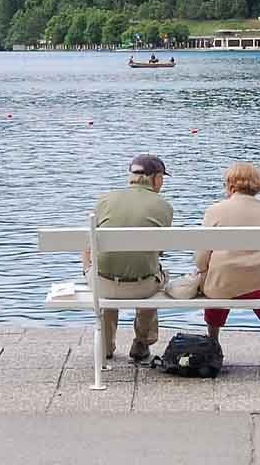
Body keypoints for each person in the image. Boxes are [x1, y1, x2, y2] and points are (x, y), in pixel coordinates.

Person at [194, 162, 260, 367]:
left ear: (230, 184)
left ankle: (213, 344)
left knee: (218, 285)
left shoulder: (215, 210)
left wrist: (202, 271)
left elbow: (202, 256)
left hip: (225, 286)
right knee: (257, 281)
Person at [82, 154, 174, 362]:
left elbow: (88, 242)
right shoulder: (164, 206)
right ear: (156, 178)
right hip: (142, 287)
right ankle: (141, 342)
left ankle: (105, 346)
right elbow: (160, 251)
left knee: (100, 265)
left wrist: (88, 267)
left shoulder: (105, 200)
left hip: (102, 284)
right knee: (156, 274)